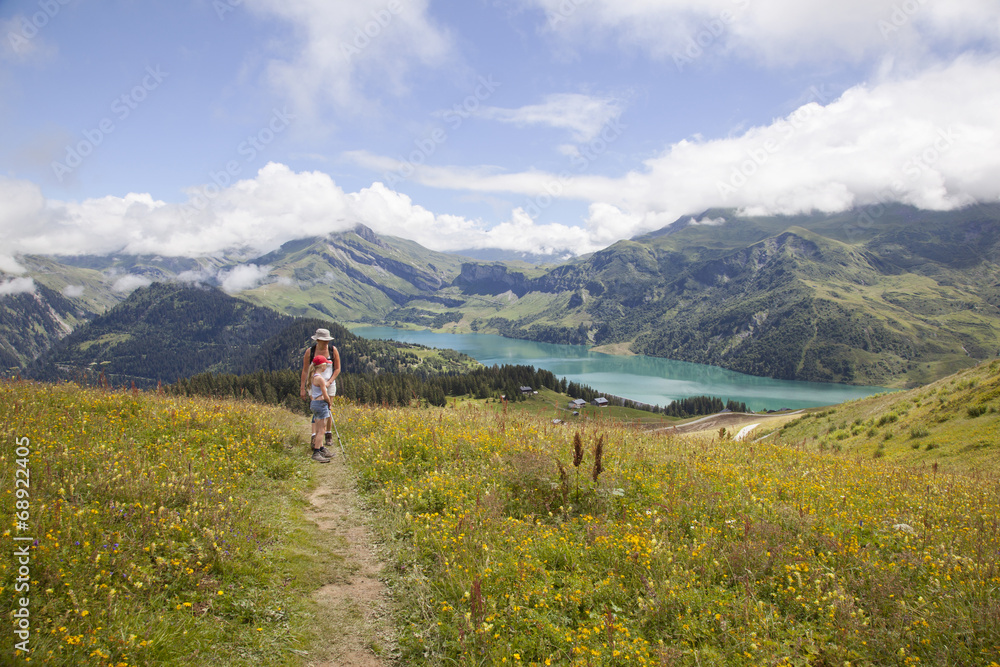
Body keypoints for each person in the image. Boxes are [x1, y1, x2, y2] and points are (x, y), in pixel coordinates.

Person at [300, 328, 341, 456]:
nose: (326, 343)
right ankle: (316, 437)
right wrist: (303, 387)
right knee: (318, 409)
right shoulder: (310, 352)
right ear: (317, 340)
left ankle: (327, 434)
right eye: (324, 341)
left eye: (327, 340)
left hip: (329, 383)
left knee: (327, 409)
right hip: (315, 384)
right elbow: (305, 370)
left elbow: (337, 369)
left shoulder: (332, 350)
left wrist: (329, 382)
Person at [307, 355, 335, 462]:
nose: (326, 367)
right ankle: (316, 452)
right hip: (321, 404)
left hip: (314, 403)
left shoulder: (313, 376)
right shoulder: (320, 379)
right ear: (321, 366)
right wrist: (329, 403)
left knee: (319, 428)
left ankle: (322, 448)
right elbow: (325, 394)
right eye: (325, 365)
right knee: (321, 430)